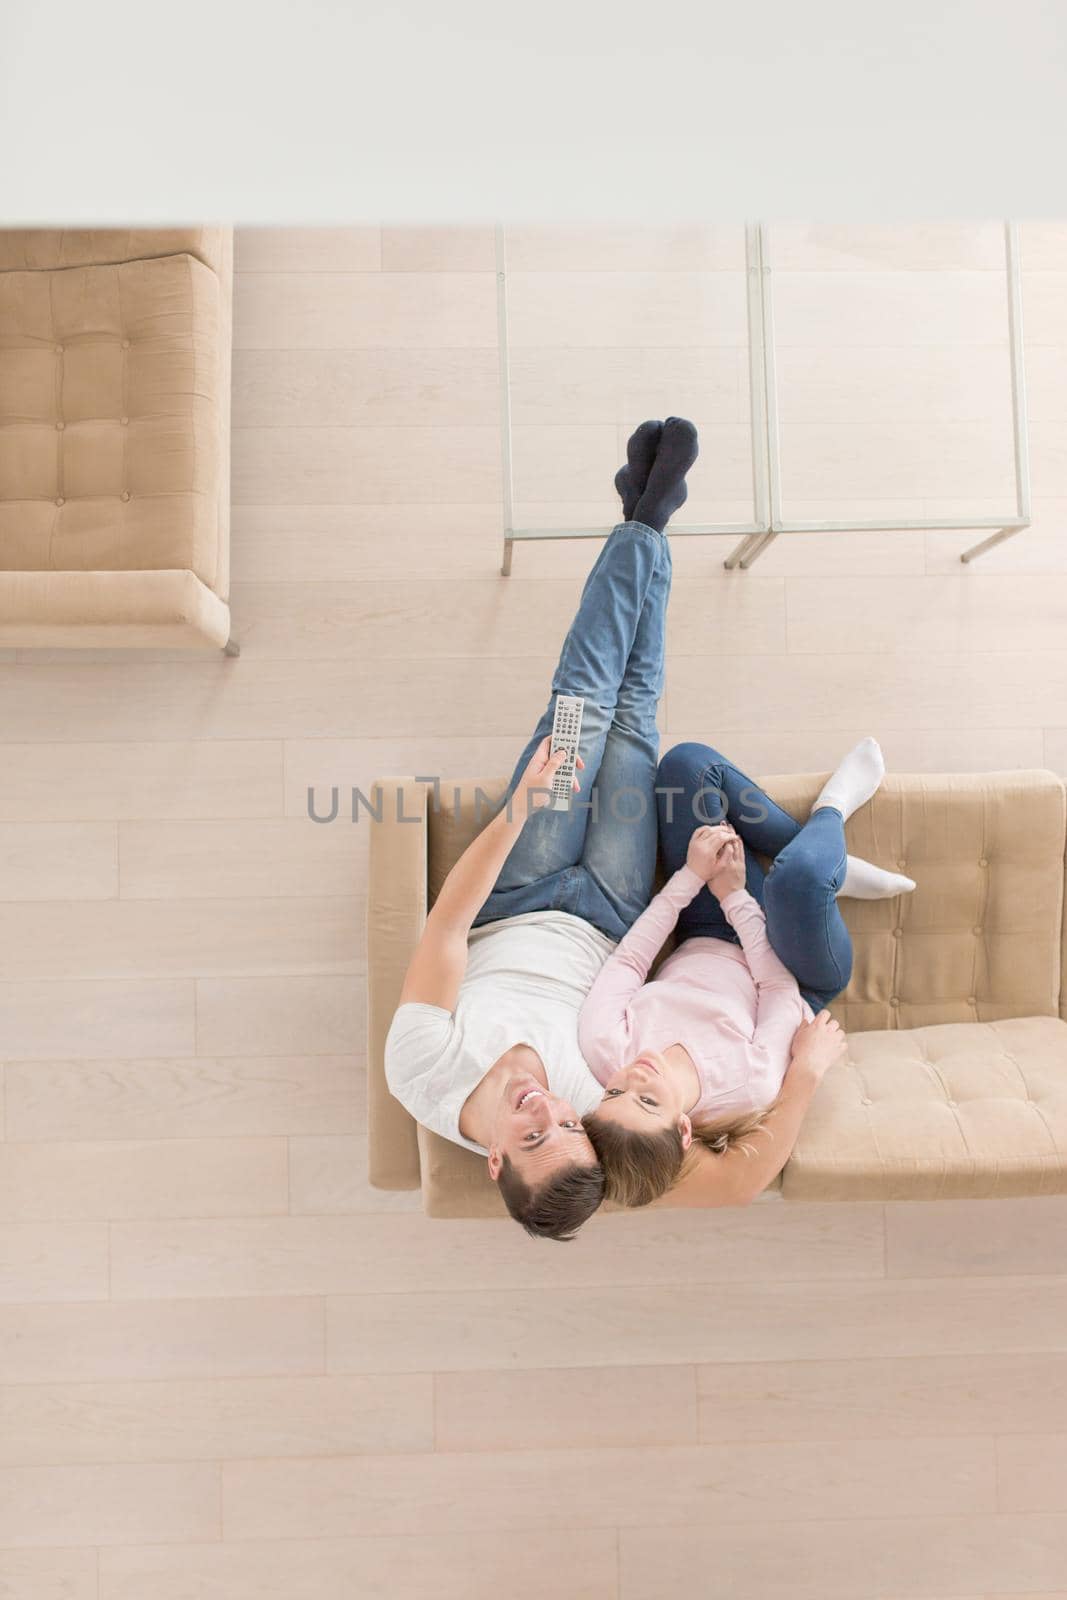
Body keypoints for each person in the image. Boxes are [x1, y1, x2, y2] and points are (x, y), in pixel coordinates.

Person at [385, 417, 701, 1239]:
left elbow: (448, 925)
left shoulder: (421, 1073)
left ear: (494, 1160)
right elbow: (670, 1121)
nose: (549, 1110)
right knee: (634, 726)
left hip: (519, 891)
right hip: (606, 912)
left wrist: (520, 807)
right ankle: (648, 522)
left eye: (531, 1133)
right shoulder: (585, 1108)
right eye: (566, 1126)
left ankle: (643, 520)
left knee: (583, 707)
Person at [578, 738, 916, 1207]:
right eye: (648, 1101)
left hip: (703, 924)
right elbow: (777, 986)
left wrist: (694, 877)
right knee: (798, 882)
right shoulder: (745, 1085)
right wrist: (735, 896)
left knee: (686, 768)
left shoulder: (603, 1046)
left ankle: (829, 863)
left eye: (615, 1092)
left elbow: (630, 960)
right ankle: (831, 812)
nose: (635, 1078)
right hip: (794, 972)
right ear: (682, 1129)